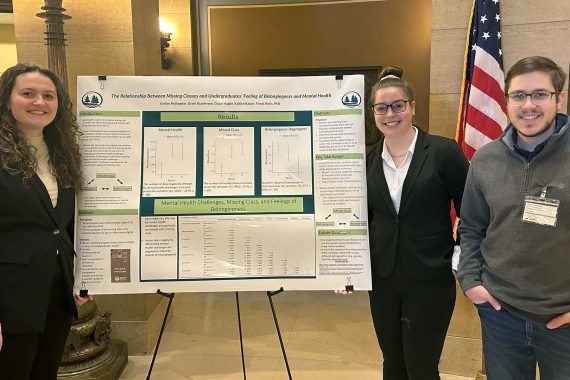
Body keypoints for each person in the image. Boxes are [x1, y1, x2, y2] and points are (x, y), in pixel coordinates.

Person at [458, 56, 570, 380]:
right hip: (500, 315)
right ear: (506, 100)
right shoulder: (485, 159)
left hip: (562, 321)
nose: (528, 105)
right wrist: (470, 282)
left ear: (559, 97)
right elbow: (471, 227)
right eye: (519, 95)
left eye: (540, 94)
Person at [365, 66, 469, 379]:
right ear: (374, 112)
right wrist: (347, 266)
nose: (390, 113)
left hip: (430, 280)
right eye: (381, 107)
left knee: (421, 367)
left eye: (398, 105)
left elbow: (473, 211)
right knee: (393, 364)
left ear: (412, 107)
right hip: (382, 279)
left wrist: (458, 257)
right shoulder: (366, 161)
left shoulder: (443, 152)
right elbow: (360, 219)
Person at [0, 63, 91, 379]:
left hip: (56, 288)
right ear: (7, 99)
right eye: (28, 93)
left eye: (48, 95)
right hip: (11, 295)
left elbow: (64, 225)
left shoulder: (62, 152)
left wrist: (82, 275)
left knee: (45, 372)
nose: (39, 102)